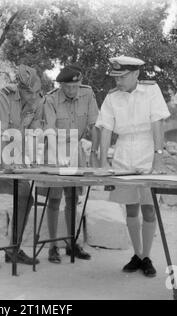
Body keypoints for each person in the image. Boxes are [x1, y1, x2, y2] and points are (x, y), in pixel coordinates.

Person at [96, 55, 170, 277]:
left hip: (148, 149)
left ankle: (147, 256)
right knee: (130, 206)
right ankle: (137, 254)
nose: (118, 81)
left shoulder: (151, 91)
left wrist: (158, 156)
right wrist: (102, 163)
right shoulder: (112, 97)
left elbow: (157, 123)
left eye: (123, 76)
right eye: (116, 77)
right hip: (124, 152)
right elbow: (106, 128)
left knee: (148, 206)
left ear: (136, 74)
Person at [0, 64, 43, 268]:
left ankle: (13, 249)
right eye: (30, 94)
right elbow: (0, 133)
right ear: (20, 89)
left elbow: (32, 130)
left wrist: (31, 159)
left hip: (12, 151)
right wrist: (10, 165)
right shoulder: (3, 97)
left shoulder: (34, 100)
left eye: (36, 93)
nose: (34, 98)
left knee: (26, 197)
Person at [42, 64, 99, 263]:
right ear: (61, 86)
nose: (71, 91)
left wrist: (95, 153)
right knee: (55, 198)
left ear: (80, 83)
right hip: (55, 148)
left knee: (72, 198)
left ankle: (71, 243)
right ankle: (52, 246)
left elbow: (95, 126)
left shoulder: (88, 94)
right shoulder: (51, 99)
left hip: (76, 149)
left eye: (75, 87)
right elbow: (49, 130)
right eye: (67, 87)